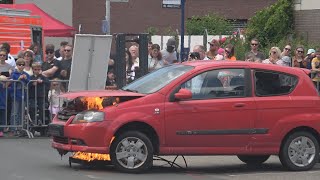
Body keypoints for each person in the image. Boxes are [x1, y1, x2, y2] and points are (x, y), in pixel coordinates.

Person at [9, 58, 30, 135]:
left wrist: (26, 78)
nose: (21, 66)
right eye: (19, 64)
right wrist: (19, 78)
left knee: (21, 112)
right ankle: (14, 128)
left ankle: (21, 128)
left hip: (23, 96)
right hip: (15, 95)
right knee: (15, 112)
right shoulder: (14, 74)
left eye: (23, 64)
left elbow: (29, 82)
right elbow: (12, 82)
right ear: (17, 65)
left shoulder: (26, 74)